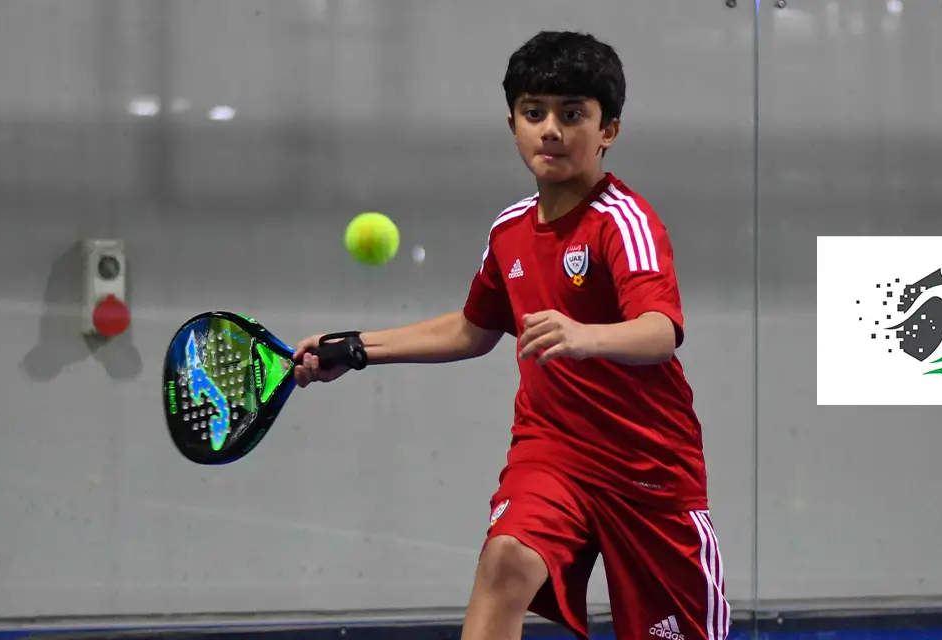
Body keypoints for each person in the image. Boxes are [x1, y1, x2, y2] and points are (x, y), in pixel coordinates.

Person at [290, 30, 727, 640]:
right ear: (513, 124)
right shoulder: (510, 229)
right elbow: (471, 330)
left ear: (608, 130)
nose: (550, 130)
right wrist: (357, 348)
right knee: (505, 561)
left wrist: (586, 336)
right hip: (553, 453)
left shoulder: (624, 221)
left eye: (571, 115)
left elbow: (660, 331)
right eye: (534, 113)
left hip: (647, 469)